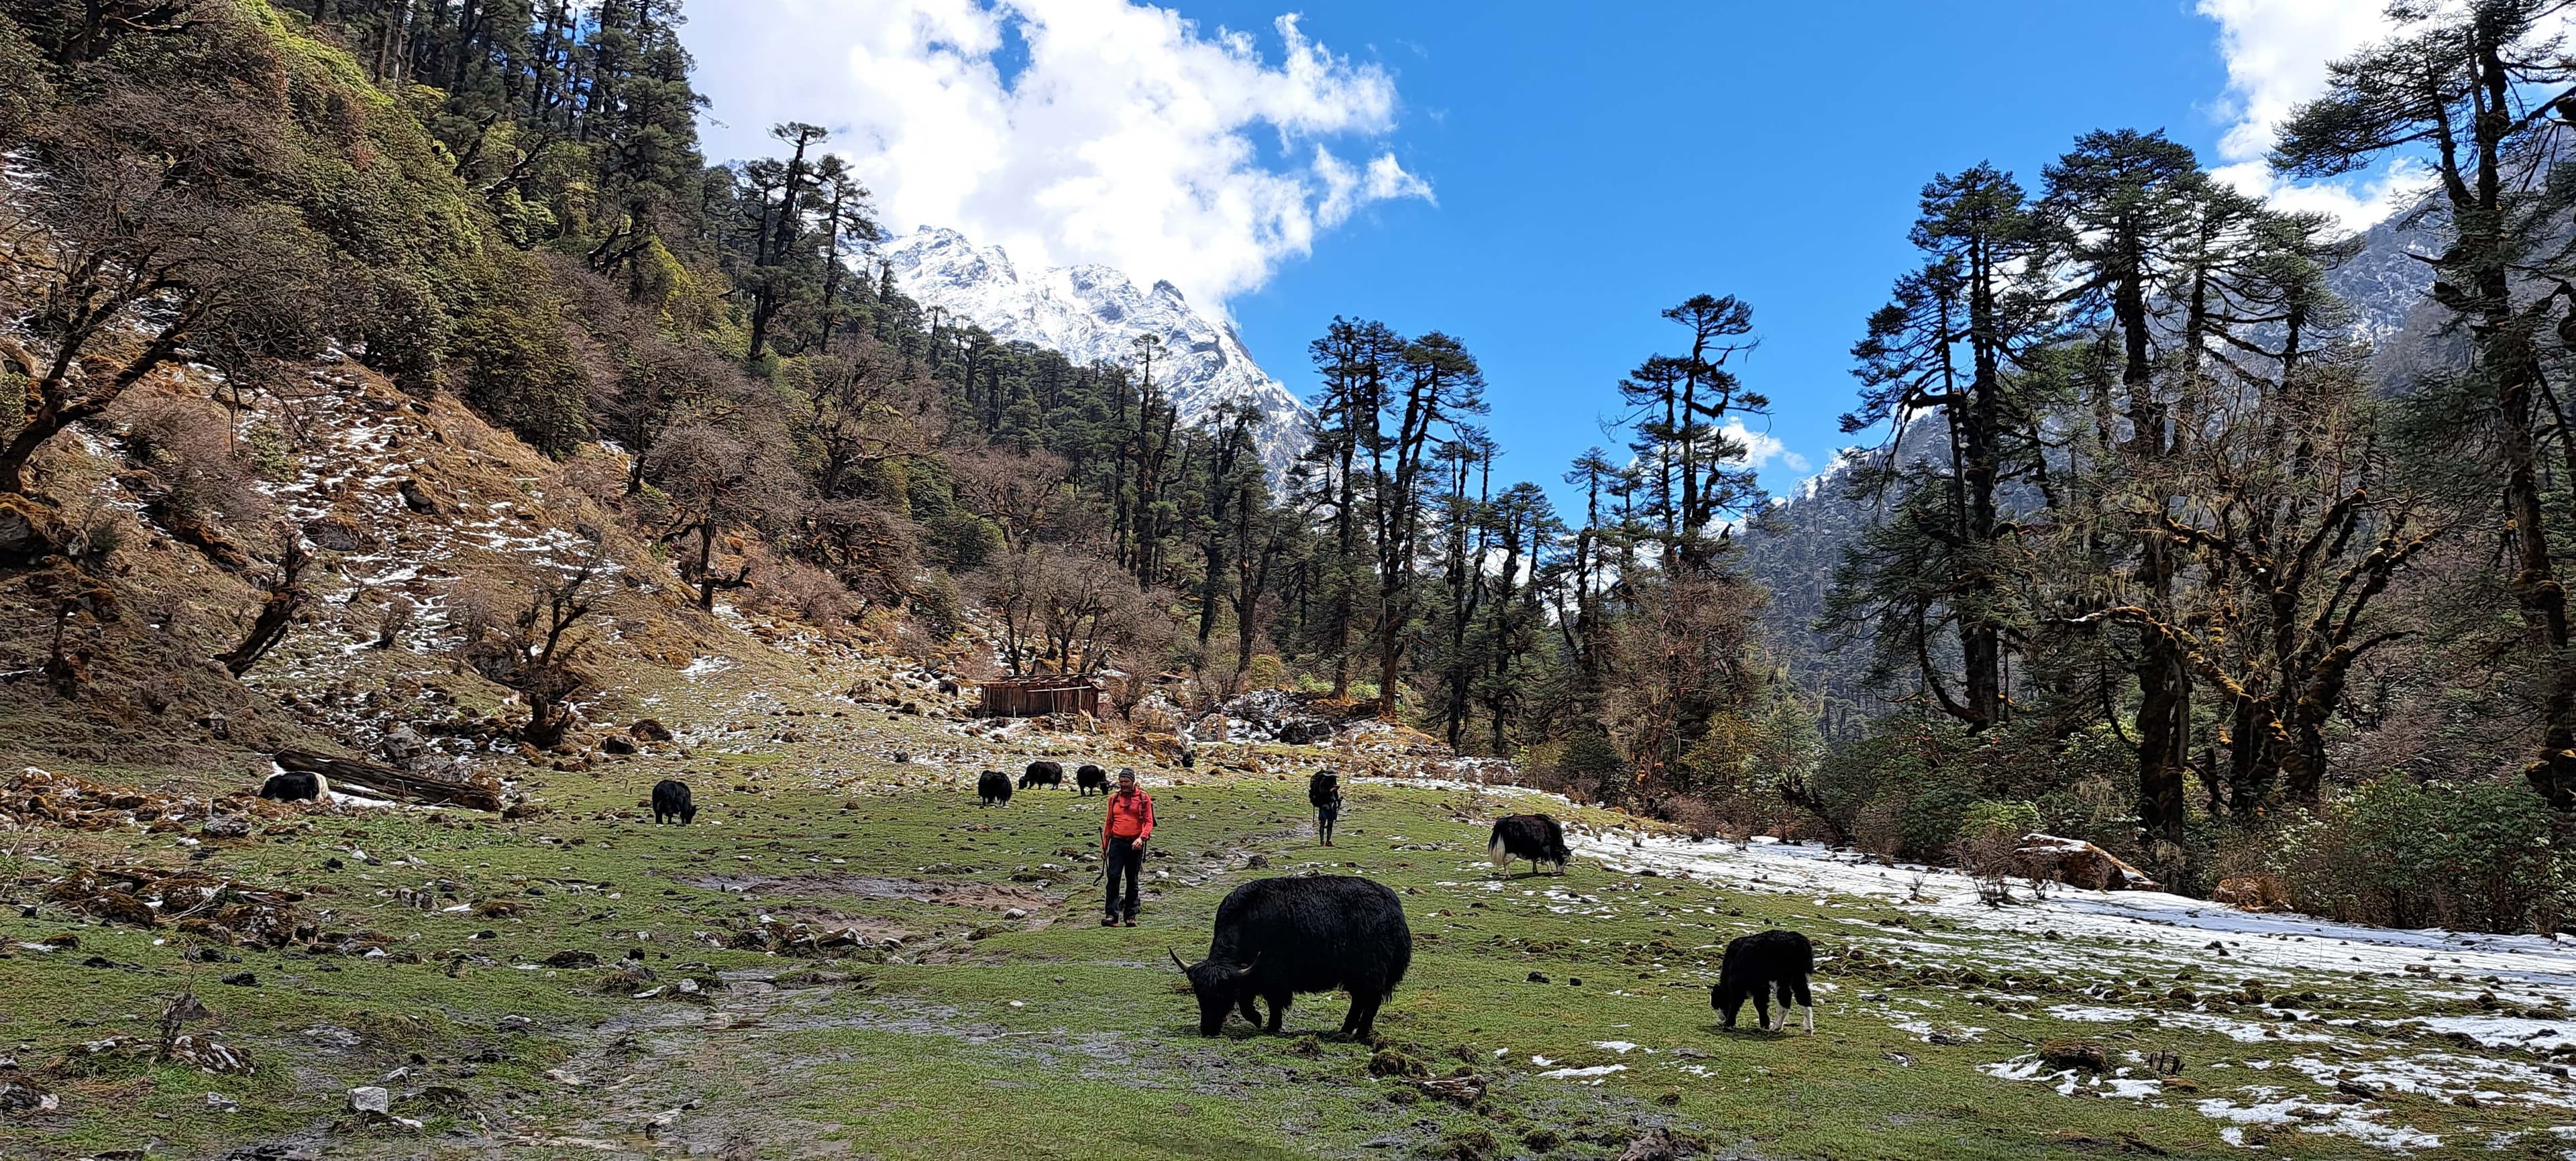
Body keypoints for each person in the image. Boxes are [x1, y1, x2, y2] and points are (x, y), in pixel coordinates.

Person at [1100, 767, 1154, 927]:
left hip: (1134, 845)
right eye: (1121, 781)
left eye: (1126, 781)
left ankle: (1130, 916)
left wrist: (1141, 838)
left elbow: (1149, 821)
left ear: (1133, 781)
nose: (1123, 785)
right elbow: (1109, 823)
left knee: (1132, 881)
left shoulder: (1143, 798)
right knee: (1113, 878)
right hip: (1116, 843)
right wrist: (1105, 846)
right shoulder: (1113, 799)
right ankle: (1111, 915)